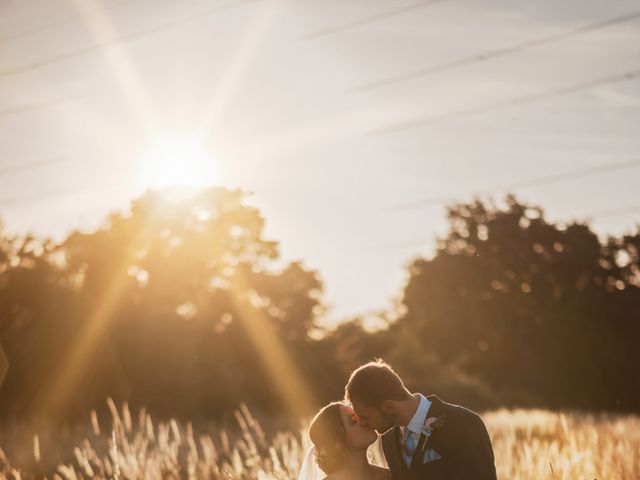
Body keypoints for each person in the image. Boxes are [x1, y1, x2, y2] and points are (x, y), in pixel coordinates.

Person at [345, 360, 497, 480]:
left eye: (365, 416)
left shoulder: (463, 424)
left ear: (388, 407)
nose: (363, 423)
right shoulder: (389, 440)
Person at [299, 401, 391, 480]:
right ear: (337, 443)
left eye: (360, 416)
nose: (363, 421)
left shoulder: (390, 476)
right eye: (354, 420)